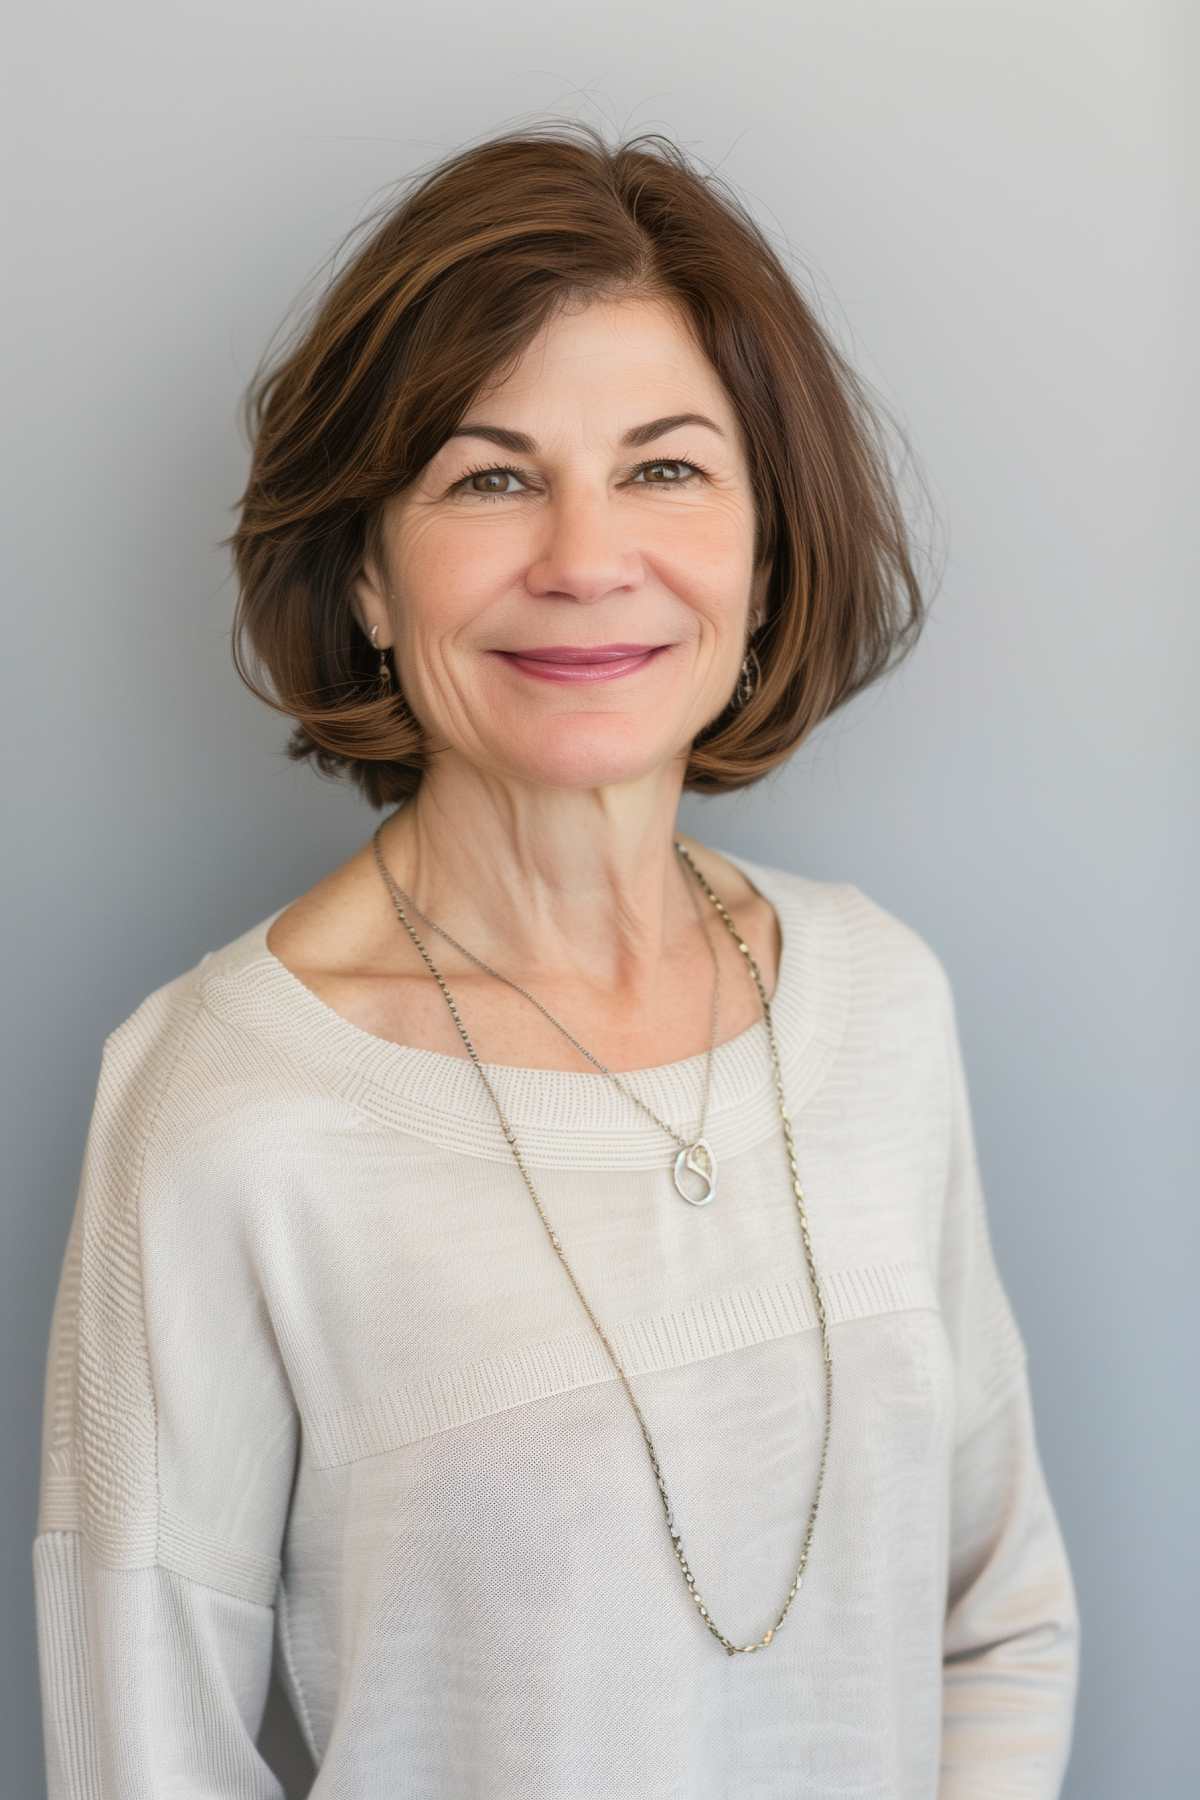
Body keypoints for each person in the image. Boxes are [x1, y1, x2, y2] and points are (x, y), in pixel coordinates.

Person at [31, 121, 1080, 1798]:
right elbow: (146, 1761)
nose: (586, 559)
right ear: (368, 570)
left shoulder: (882, 1002)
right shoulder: (223, 1107)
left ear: (763, 552)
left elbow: (997, 1618)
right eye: (490, 476)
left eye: (666, 468)